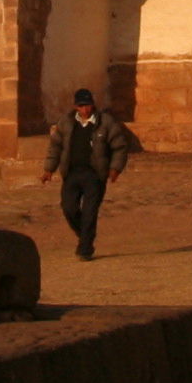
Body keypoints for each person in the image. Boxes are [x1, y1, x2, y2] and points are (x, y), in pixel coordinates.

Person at [42, 87, 137, 262]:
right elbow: (55, 146)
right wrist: (49, 169)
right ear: (76, 107)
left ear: (93, 105)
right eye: (82, 106)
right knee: (68, 208)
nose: (85, 109)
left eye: (88, 105)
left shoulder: (106, 123)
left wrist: (115, 169)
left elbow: (119, 146)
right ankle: (86, 235)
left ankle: (85, 248)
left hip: (95, 175)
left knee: (89, 211)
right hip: (72, 173)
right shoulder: (66, 123)